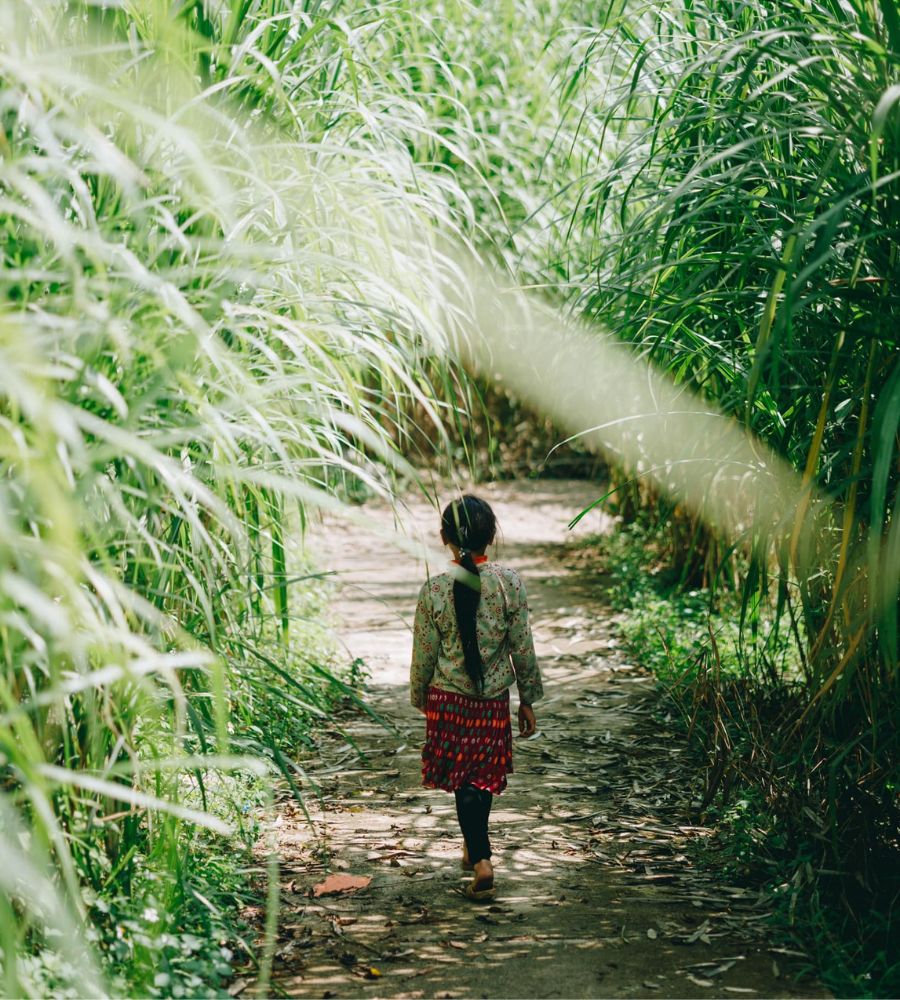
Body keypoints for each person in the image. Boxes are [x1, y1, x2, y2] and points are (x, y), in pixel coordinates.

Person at [409, 494, 543, 900]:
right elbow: (523, 647)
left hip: (449, 700)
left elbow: (424, 653)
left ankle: (482, 859)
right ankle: (474, 848)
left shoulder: (434, 589)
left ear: (444, 536)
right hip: (491, 702)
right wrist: (528, 698)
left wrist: (420, 696)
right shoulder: (509, 583)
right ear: (491, 536)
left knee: (464, 779)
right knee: (480, 778)